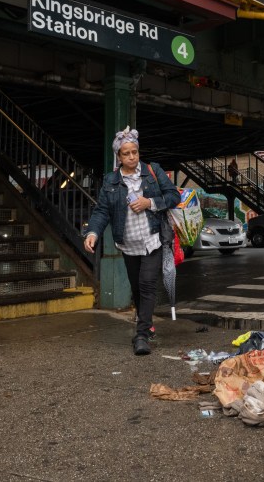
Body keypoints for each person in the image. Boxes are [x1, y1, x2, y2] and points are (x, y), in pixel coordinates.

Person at [84, 127, 180, 357]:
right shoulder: (111, 181)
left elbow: (174, 196)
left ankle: (142, 335)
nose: (131, 157)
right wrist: (93, 232)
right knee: (136, 287)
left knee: (147, 284)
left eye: (134, 152)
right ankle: (145, 320)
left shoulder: (152, 171)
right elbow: (102, 211)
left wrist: (150, 203)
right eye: (126, 153)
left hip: (152, 239)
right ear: (118, 157)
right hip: (128, 243)